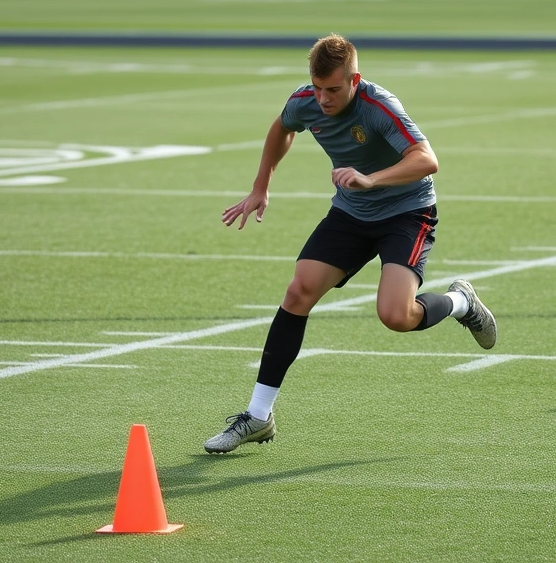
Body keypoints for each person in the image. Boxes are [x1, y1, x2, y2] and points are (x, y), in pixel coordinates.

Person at [204, 34, 497, 454]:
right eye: (317, 87)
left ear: (354, 79)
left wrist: (370, 179)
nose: (322, 99)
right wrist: (260, 187)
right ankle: (258, 415)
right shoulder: (306, 100)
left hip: (406, 212)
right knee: (298, 291)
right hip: (352, 213)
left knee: (396, 316)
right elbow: (282, 127)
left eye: (333, 90)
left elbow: (426, 159)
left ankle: (461, 303)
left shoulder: (379, 107)